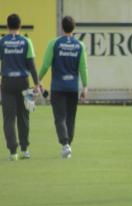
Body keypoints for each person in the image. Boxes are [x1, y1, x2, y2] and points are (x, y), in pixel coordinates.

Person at [38, 16, 88, 159]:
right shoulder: (79, 45)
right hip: (72, 87)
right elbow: (83, 67)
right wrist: (85, 86)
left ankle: (65, 144)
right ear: (74, 28)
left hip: (58, 88)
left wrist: (38, 80)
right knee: (71, 118)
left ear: (62, 27)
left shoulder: (54, 43)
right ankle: (68, 145)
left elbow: (46, 64)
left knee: (60, 117)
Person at [0, 13, 40, 160]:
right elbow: (32, 66)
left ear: (7, 26)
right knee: (24, 116)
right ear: (20, 26)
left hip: (7, 83)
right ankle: (25, 149)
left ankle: (13, 152)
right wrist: (37, 84)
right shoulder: (26, 41)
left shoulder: (2, 41)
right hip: (24, 82)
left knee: (8, 118)